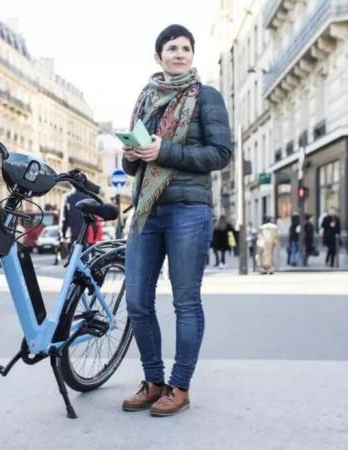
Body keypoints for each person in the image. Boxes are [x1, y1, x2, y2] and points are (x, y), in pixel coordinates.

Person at [120, 25, 231, 416]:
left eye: (186, 48)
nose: (180, 53)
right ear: (159, 57)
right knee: (136, 300)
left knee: (185, 301)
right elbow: (132, 163)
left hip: (188, 209)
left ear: (192, 55)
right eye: (172, 48)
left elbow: (220, 154)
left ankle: (179, 386)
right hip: (147, 211)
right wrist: (131, 156)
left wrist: (163, 150)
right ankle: (154, 380)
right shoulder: (146, 98)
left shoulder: (207, 97)